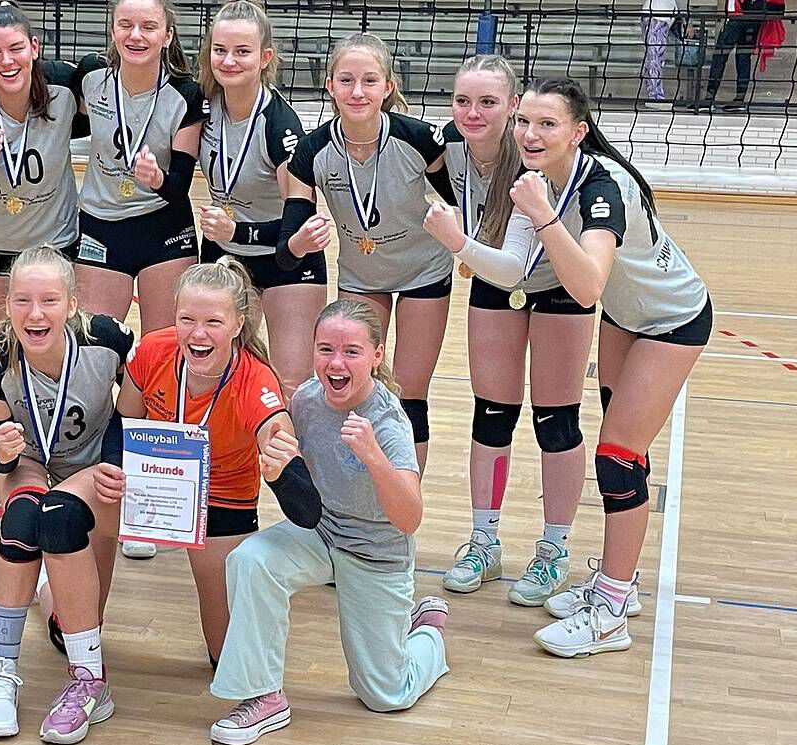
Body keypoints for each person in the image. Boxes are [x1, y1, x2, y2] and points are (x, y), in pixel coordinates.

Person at [447, 77, 710, 657]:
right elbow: (518, 266)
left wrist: (543, 216)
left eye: (547, 124)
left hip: (672, 320)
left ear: (577, 133)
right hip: (626, 317)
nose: (530, 134)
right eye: (524, 122)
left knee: (618, 458)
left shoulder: (601, 186)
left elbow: (586, 287)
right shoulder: (539, 179)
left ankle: (610, 612)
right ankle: (620, 584)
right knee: (626, 450)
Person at [208, 299, 449, 745]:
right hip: (320, 534)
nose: (336, 363)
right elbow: (297, 479)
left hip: (375, 552)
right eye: (326, 350)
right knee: (251, 561)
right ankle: (264, 697)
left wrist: (374, 456)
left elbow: (409, 519)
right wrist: (277, 468)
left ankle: (428, 633)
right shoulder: (305, 400)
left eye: (351, 352)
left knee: (386, 694)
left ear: (376, 356)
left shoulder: (389, 423)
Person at [422, 55, 596, 606]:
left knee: (556, 421)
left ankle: (554, 550)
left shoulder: (534, 156)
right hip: (495, 281)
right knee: (491, 414)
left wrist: (457, 242)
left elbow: (517, 264)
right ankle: (484, 542)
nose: (472, 113)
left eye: (488, 102)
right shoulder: (447, 146)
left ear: (513, 106)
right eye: (462, 101)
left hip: (558, 285)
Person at [94, 258, 323, 668]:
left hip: (222, 498)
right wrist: (113, 465)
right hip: (152, 486)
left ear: (238, 324)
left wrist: (282, 472)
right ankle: (63, 611)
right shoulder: (152, 350)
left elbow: (306, 510)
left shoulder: (256, 381)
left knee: (228, 659)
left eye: (213, 322)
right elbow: (121, 423)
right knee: (71, 516)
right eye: (187, 319)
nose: (198, 334)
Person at [0, 245, 134, 745]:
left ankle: (82, 666)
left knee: (73, 620)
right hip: (33, 465)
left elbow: (134, 410)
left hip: (92, 469)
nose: (35, 314)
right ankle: (1, 670)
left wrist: (118, 464)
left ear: (72, 303)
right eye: (22, 301)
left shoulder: (107, 340)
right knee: (22, 519)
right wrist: (1, 451)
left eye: (49, 300)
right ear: (8, 304)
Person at [73, 0, 207, 559]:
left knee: (163, 358)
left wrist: (158, 177)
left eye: (148, 26)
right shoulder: (88, 80)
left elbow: (180, 185)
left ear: (167, 35)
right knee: (95, 357)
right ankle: (93, 488)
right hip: (100, 227)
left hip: (162, 228)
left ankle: (154, 500)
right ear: (112, 31)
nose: (136, 34)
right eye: (126, 24)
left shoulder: (185, 95)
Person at [280, 33, 456, 472]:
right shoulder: (312, 151)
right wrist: (301, 242)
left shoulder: (420, 140)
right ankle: (351, 489)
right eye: (346, 80)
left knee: (410, 395)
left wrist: (466, 239)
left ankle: (406, 493)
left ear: (388, 87)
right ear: (330, 85)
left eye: (369, 81)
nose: (357, 91)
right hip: (361, 277)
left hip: (423, 273)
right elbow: (287, 250)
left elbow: (463, 201)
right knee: (355, 387)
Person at [0, 2, 86, 542]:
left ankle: (68, 476)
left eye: (16, 49)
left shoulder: (65, 87)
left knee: (63, 360)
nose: (7, 60)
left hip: (52, 249)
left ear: (35, 50)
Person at [195, 0, 322, 399]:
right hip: (224, 253)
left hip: (286, 259)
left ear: (265, 57)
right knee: (215, 376)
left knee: (290, 385)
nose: (229, 60)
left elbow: (299, 223)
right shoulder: (202, 107)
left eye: (242, 51)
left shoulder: (279, 124)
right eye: (220, 50)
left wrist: (238, 231)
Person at [702, 0, 759, 112]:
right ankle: (739, 99)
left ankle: (708, 99)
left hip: (735, 16)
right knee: (743, 57)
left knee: (720, 55)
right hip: (752, 18)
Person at [640, 0, 695, 109]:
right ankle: (656, 98)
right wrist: (688, 21)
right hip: (659, 17)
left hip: (649, 14)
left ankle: (653, 94)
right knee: (656, 57)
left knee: (653, 57)